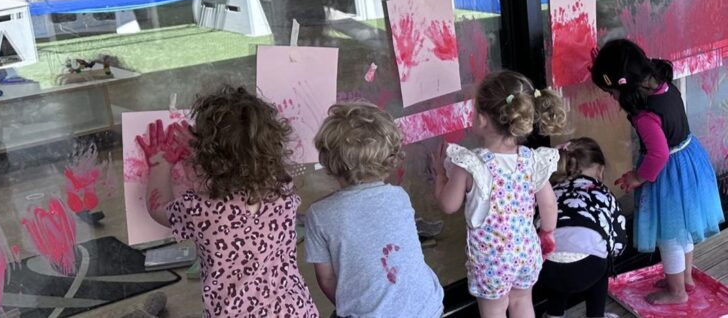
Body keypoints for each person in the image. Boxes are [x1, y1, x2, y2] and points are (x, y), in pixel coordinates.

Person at [137, 85, 319, 317]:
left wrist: (160, 164)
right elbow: (242, 164)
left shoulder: (200, 210)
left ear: (206, 159)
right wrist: (205, 154)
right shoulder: (283, 191)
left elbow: (158, 209)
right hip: (296, 311)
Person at [590, 39, 724, 305]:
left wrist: (638, 177)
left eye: (611, 92)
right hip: (689, 161)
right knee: (682, 230)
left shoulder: (645, 115)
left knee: (669, 236)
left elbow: (659, 154)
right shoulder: (665, 87)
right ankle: (684, 279)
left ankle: (677, 292)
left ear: (623, 86)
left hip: (668, 175)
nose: (612, 97)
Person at [434, 70, 567, 318]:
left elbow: (449, 205)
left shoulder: (471, 163)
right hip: (526, 251)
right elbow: (549, 206)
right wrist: (547, 234)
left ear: (483, 120)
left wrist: (441, 178)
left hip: (491, 261)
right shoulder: (531, 160)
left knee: (494, 311)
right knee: (521, 303)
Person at [305, 102, 444, 318]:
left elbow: (327, 279)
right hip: (427, 307)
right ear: (388, 156)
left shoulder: (319, 214)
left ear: (328, 160)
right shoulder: (399, 196)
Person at [539, 138, 627, 318]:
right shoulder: (602, 193)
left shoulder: (552, 190)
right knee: (601, 252)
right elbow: (619, 241)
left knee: (557, 252)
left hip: (545, 270)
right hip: (588, 269)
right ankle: (596, 315)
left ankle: (554, 314)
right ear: (600, 170)